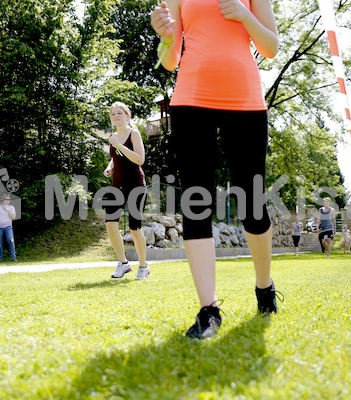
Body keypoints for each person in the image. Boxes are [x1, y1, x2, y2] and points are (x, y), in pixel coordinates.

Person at [151, 0, 280, 339]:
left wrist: (244, 14)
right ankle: (208, 310)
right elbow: (170, 60)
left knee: (252, 202)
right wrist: (165, 36)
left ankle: (264, 287)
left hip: (245, 101)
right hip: (191, 99)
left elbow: (270, 48)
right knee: (197, 202)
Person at [103, 102, 150, 280]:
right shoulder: (114, 136)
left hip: (136, 185)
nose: (116, 116)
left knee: (134, 228)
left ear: (127, 116)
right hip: (118, 185)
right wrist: (110, 167)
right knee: (110, 222)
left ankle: (143, 266)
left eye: (119, 113)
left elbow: (139, 159)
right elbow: (116, 158)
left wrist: (119, 145)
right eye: (113, 114)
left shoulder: (134, 133)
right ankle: (123, 263)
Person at [0, 195, 17, 262]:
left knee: (11, 241)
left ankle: (13, 258)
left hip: (8, 227)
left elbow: (13, 217)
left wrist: (7, 209)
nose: (7, 201)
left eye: (9, 200)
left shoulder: (11, 207)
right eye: (6, 199)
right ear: (2, 200)